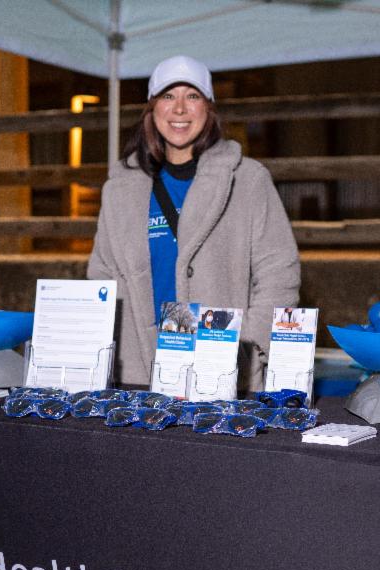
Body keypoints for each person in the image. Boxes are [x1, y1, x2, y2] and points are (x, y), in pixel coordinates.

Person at [87, 54, 300, 391]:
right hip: (138, 375)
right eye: (168, 96)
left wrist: (247, 344)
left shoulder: (247, 180)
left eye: (192, 96)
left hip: (222, 373)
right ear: (152, 108)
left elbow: (279, 273)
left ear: (208, 107)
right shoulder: (120, 190)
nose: (179, 108)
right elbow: (101, 275)